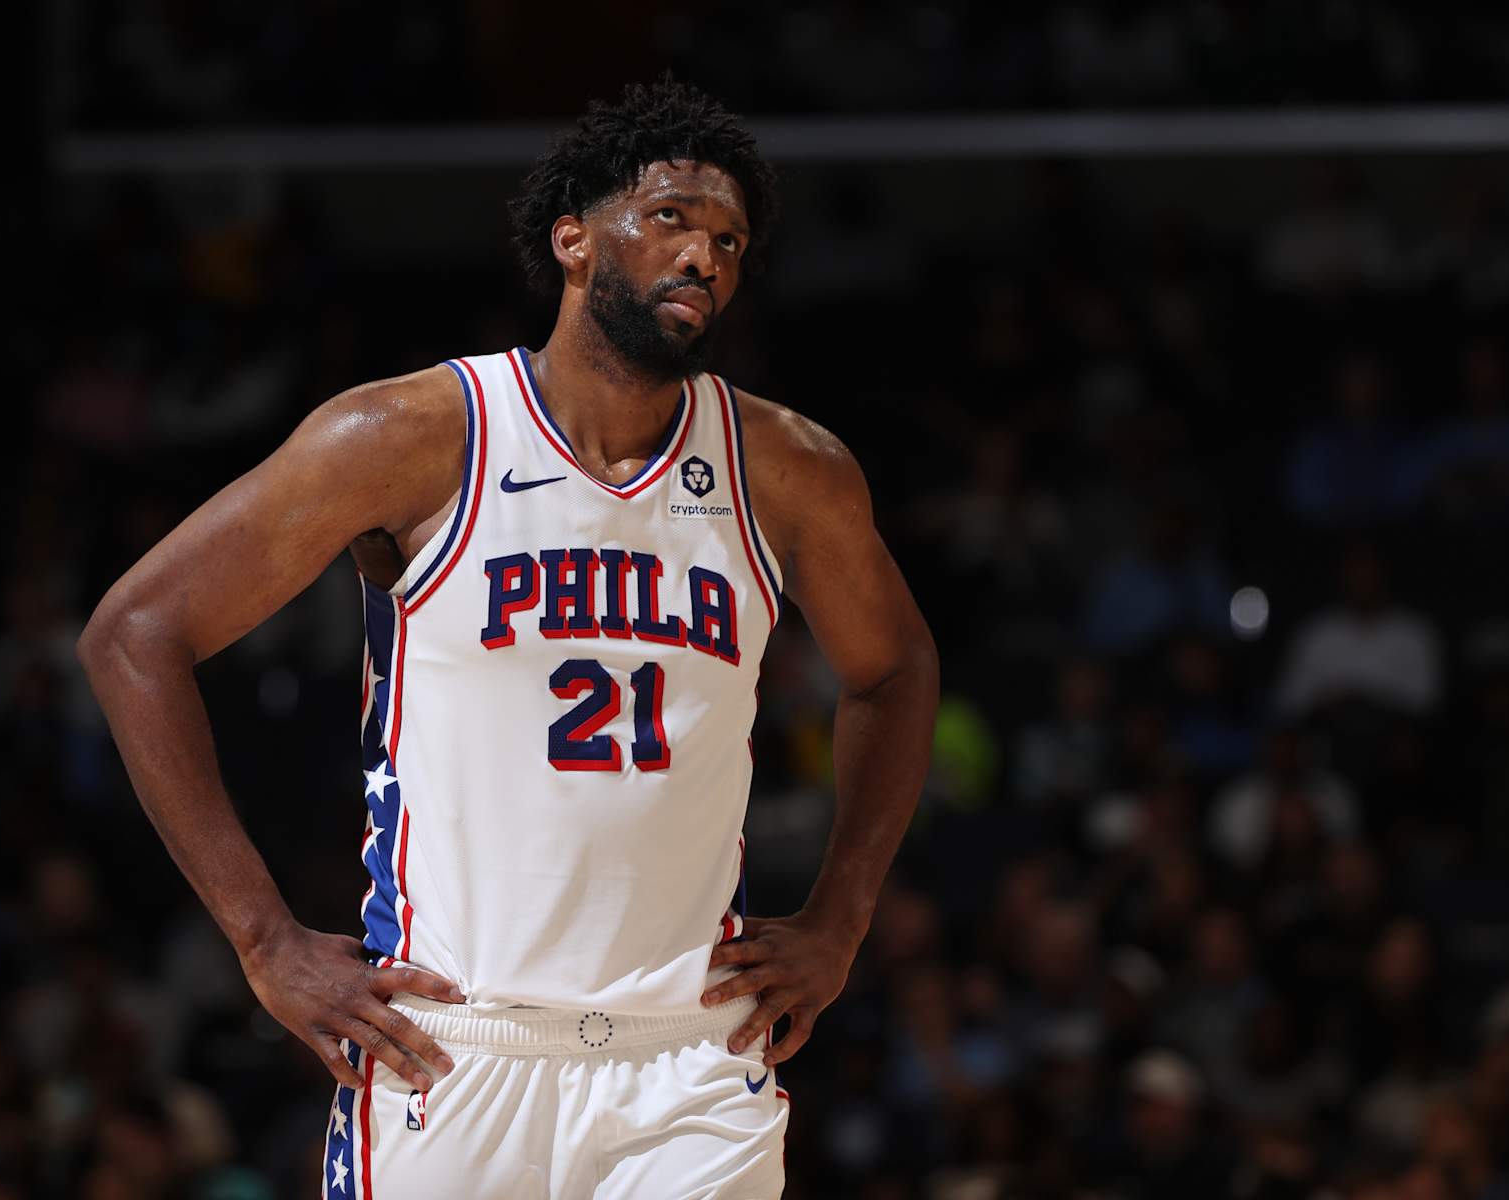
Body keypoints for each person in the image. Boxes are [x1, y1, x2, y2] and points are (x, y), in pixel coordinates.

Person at [77, 76, 939, 1198]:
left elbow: (897, 666)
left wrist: (840, 917)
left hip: (690, 1054)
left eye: (728, 238)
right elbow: (136, 633)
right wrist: (263, 938)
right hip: (454, 1043)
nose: (705, 256)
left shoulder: (788, 471)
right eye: (671, 216)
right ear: (573, 240)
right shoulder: (411, 435)